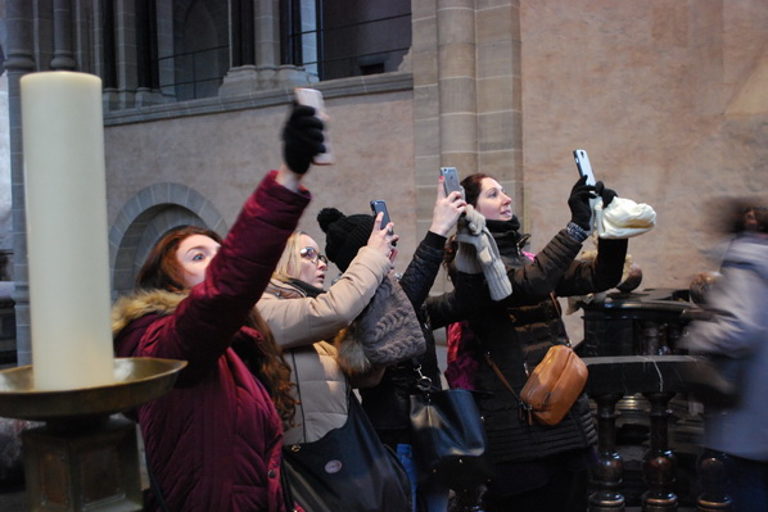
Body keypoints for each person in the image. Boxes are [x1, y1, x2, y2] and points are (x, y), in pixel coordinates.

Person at [111, 104, 324, 511]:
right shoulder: (157, 341)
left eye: (219, 251)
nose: (216, 260)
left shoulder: (236, 347)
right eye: (197, 256)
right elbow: (222, 293)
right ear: (167, 280)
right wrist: (287, 180)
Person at [446, 173, 627, 512]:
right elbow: (530, 284)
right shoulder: (470, 265)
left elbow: (600, 276)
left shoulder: (527, 260)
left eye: (504, 190)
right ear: (469, 209)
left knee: (572, 498)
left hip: (565, 413)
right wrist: (576, 226)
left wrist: (613, 227)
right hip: (518, 424)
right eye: (493, 193)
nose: (507, 199)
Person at [316, 179, 468, 512]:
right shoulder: (360, 299)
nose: (394, 243)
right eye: (385, 238)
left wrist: (472, 254)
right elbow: (409, 298)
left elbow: (456, 304)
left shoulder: (393, 291)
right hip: (397, 432)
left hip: (429, 425)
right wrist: (437, 231)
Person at [680, 202, 768, 511]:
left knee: (745, 489)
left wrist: (696, 335)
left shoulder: (746, 263)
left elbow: (739, 328)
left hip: (749, 405)